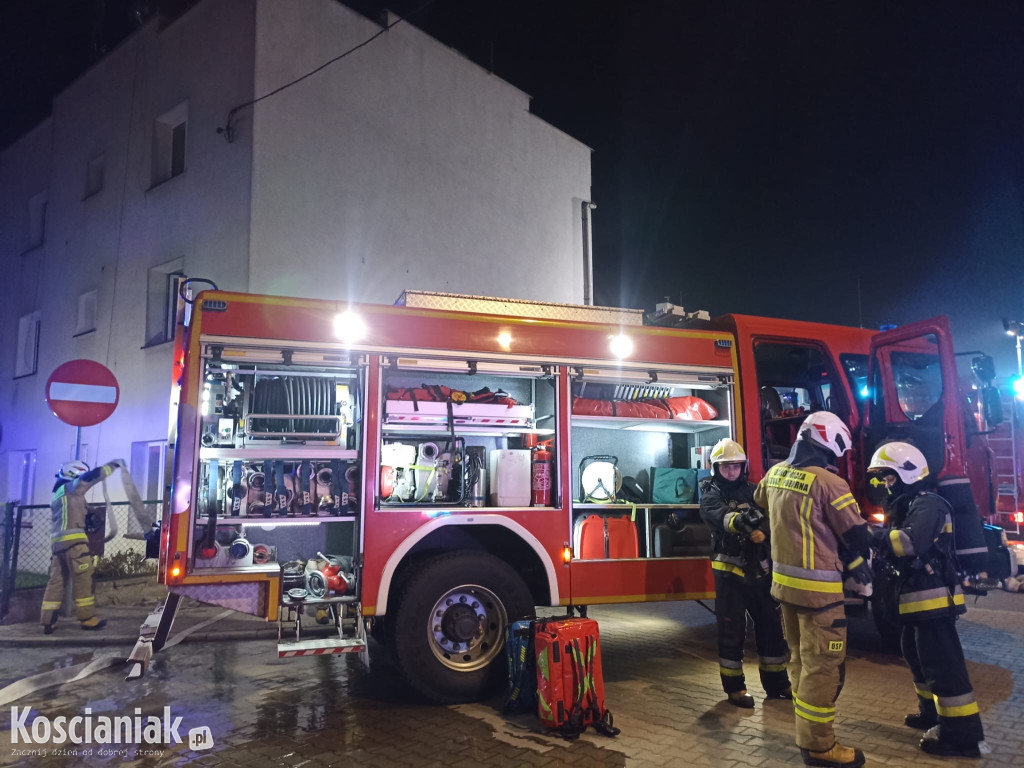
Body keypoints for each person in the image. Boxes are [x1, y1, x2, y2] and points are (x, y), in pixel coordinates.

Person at [754, 411, 873, 768]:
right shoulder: (830, 484)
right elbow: (856, 535)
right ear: (829, 442)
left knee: (800, 664)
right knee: (822, 670)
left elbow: (762, 503)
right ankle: (820, 748)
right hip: (820, 597)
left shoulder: (775, 474)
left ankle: (806, 735)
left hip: (785, 591)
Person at [867, 442, 984, 758]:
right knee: (917, 657)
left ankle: (962, 735)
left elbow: (909, 543)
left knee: (943, 666)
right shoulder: (907, 505)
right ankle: (931, 713)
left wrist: (869, 535)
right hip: (914, 600)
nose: (886, 485)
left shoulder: (928, 504)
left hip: (932, 601)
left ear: (908, 473)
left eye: (890, 478)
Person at [699, 438, 791, 708]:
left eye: (736, 466)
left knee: (771, 628)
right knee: (732, 630)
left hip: (759, 572)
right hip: (729, 574)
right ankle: (735, 689)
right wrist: (743, 523)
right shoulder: (711, 494)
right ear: (716, 468)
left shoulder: (753, 490)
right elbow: (719, 517)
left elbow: (770, 513)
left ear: (743, 466)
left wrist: (763, 528)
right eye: (725, 466)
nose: (731, 471)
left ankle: (778, 684)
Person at [40, 458, 124, 633]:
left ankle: (48, 620)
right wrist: (112, 466)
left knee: (56, 581)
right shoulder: (72, 488)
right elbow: (91, 478)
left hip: (58, 547)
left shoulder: (58, 495)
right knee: (83, 578)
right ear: (75, 473)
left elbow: (70, 515)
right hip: (75, 545)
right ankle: (87, 619)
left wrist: (87, 516)